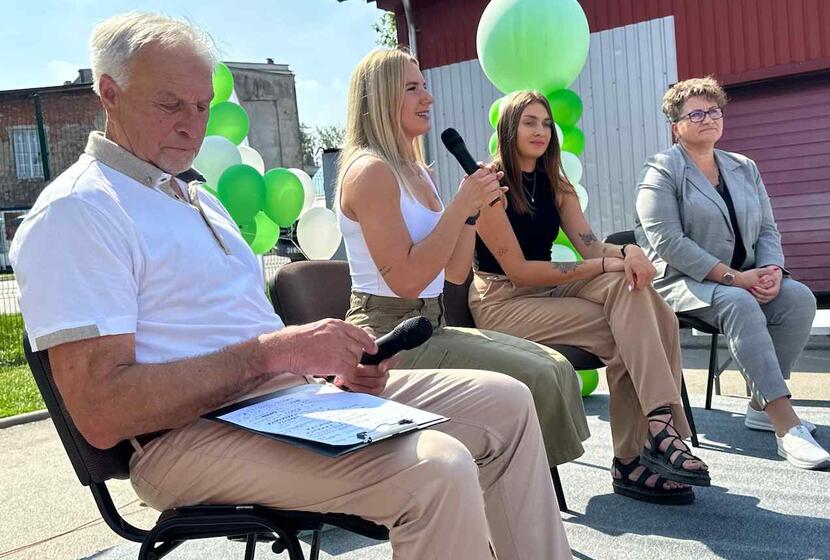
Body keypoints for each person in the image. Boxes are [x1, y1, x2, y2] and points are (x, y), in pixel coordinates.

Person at [10, 14, 572, 559]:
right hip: (183, 438)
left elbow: (244, 336)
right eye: (170, 104)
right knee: (437, 469)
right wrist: (276, 353)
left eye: (202, 106)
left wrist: (327, 367)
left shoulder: (195, 197)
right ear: (110, 93)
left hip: (286, 403)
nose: (192, 125)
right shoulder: (80, 210)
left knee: (508, 402)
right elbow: (103, 411)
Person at [337, 48, 589, 471]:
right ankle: (520, 486)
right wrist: (460, 205)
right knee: (537, 378)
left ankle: (520, 484)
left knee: (556, 365)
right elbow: (406, 281)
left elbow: (454, 272)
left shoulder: (420, 172)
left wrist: (472, 210)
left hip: (431, 324)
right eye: (412, 89)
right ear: (381, 98)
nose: (428, 98)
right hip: (387, 335)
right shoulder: (370, 172)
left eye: (424, 86)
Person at [471, 91, 710, 505]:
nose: (541, 131)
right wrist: (604, 264)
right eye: (530, 122)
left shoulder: (555, 184)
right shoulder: (490, 186)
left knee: (633, 293)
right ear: (508, 128)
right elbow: (520, 271)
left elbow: (590, 246)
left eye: (547, 124)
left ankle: (653, 431)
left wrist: (629, 252)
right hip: (503, 300)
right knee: (630, 327)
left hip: (546, 290)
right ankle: (640, 450)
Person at [634, 77, 830, 470]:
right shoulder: (661, 170)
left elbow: (768, 229)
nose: (708, 118)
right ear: (676, 127)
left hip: (743, 277)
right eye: (696, 114)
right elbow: (668, 241)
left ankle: (759, 405)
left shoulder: (744, 167)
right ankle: (785, 425)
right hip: (681, 281)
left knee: (798, 298)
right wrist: (732, 277)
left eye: (714, 110)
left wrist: (772, 269)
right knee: (739, 301)